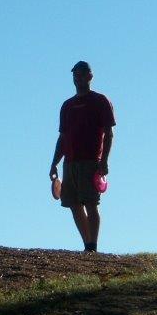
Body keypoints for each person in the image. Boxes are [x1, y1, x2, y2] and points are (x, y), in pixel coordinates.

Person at [49, 60, 116, 252]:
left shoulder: (100, 101)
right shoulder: (67, 106)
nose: (77, 78)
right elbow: (62, 137)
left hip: (91, 161)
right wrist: (54, 162)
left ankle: (93, 245)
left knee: (91, 203)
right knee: (73, 203)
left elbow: (109, 133)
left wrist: (104, 161)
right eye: (75, 75)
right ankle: (88, 245)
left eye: (81, 74)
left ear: (90, 76)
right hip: (70, 162)